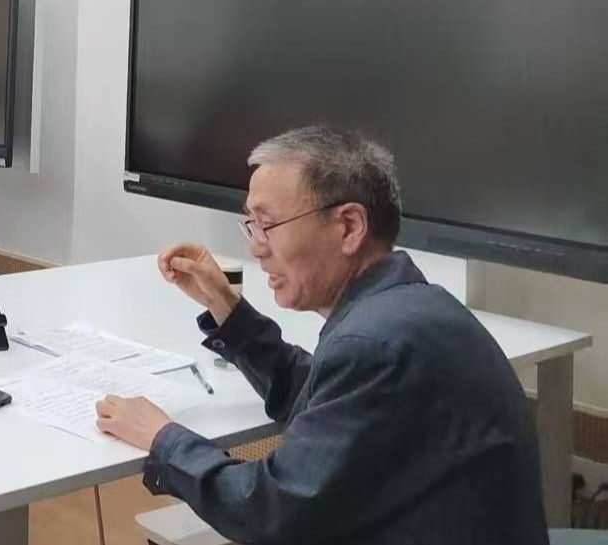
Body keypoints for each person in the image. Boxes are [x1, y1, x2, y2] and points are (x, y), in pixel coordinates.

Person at [94, 126, 547, 545]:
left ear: (348, 227)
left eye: (268, 225)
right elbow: (320, 398)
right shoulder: (410, 310)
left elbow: (269, 511)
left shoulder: (373, 344)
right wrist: (226, 307)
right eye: (251, 225)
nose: (256, 246)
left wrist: (163, 438)